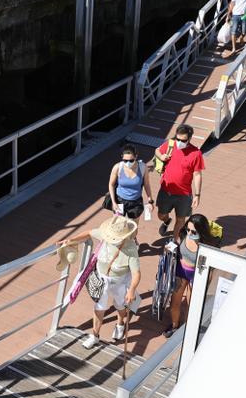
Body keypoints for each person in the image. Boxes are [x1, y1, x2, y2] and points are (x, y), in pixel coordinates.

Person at [58, 216, 142, 349]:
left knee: (120, 305)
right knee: (99, 306)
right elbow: (88, 233)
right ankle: (95, 336)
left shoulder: (131, 248)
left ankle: (120, 323)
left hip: (119, 281)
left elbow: (137, 273)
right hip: (101, 279)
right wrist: (71, 240)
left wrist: (131, 290)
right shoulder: (105, 234)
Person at [163, 214, 213, 338]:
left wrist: (205, 283)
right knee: (174, 303)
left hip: (194, 275)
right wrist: (168, 248)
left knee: (192, 306)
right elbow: (176, 243)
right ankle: (174, 325)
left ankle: (188, 328)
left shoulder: (206, 245)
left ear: (201, 231)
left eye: (194, 231)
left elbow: (210, 268)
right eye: (188, 229)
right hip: (180, 270)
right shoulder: (184, 234)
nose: (190, 233)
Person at [154, 124, 205, 242]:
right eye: (178, 139)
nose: (179, 142)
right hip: (166, 191)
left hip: (184, 194)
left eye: (183, 140)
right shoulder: (170, 144)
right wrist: (161, 156)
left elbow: (197, 175)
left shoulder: (196, 153)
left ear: (190, 139)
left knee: (181, 220)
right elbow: (157, 150)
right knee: (161, 215)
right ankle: (167, 221)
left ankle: (174, 242)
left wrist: (197, 195)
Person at [108, 144, 154, 224]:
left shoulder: (143, 167)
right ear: (122, 157)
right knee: (118, 225)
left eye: (131, 160)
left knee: (134, 226)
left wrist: (150, 201)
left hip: (136, 202)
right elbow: (111, 184)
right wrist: (114, 202)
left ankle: (133, 237)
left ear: (136, 157)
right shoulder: (117, 167)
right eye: (125, 160)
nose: (128, 163)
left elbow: (146, 184)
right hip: (120, 201)